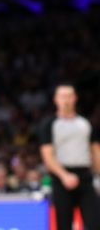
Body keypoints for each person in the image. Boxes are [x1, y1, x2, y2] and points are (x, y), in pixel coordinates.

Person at [39, 83, 100, 230]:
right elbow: (47, 155)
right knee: (64, 225)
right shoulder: (49, 124)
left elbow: (95, 151)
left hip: (85, 177)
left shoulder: (85, 123)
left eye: (69, 96)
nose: (66, 99)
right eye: (62, 96)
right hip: (61, 179)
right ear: (56, 99)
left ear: (75, 98)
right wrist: (64, 175)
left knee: (95, 222)